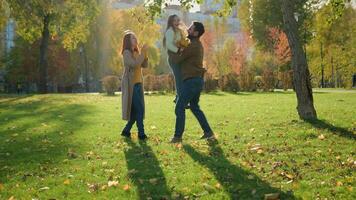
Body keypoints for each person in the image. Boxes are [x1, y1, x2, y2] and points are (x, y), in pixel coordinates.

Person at [169, 22, 215, 143]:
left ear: (196, 33)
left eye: (190, 29)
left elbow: (177, 59)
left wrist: (171, 48)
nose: (188, 30)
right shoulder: (194, 44)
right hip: (196, 80)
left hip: (192, 81)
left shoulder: (193, 45)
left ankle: (177, 137)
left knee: (179, 107)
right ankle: (208, 132)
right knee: (194, 107)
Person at [120, 31, 149, 140]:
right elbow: (135, 64)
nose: (135, 39)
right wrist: (142, 53)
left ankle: (126, 131)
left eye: (135, 37)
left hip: (138, 84)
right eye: (133, 38)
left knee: (135, 111)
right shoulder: (126, 53)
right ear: (128, 41)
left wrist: (144, 53)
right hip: (130, 85)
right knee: (139, 110)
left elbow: (144, 65)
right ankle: (141, 133)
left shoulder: (137, 52)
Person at [163, 14, 190, 103]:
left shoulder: (179, 31)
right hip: (174, 58)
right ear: (171, 22)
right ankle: (181, 100)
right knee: (179, 79)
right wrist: (178, 50)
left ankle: (178, 97)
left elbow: (184, 40)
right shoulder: (170, 31)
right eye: (175, 20)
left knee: (182, 78)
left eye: (178, 20)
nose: (177, 22)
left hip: (180, 58)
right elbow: (169, 45)